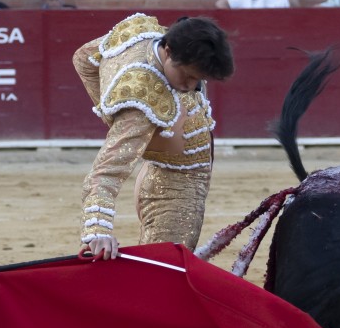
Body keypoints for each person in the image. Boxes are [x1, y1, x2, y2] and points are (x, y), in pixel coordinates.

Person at [73, 14, 234, 259]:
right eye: (187, 76)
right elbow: (105, 172)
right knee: (164, 270)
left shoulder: (144, 33)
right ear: (168, 51)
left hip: (161, 170)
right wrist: (97, 230)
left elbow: (84, 58)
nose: (192, 85)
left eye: (199, 78)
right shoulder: (140, 105)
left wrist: (108, 103)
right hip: (176, 183)